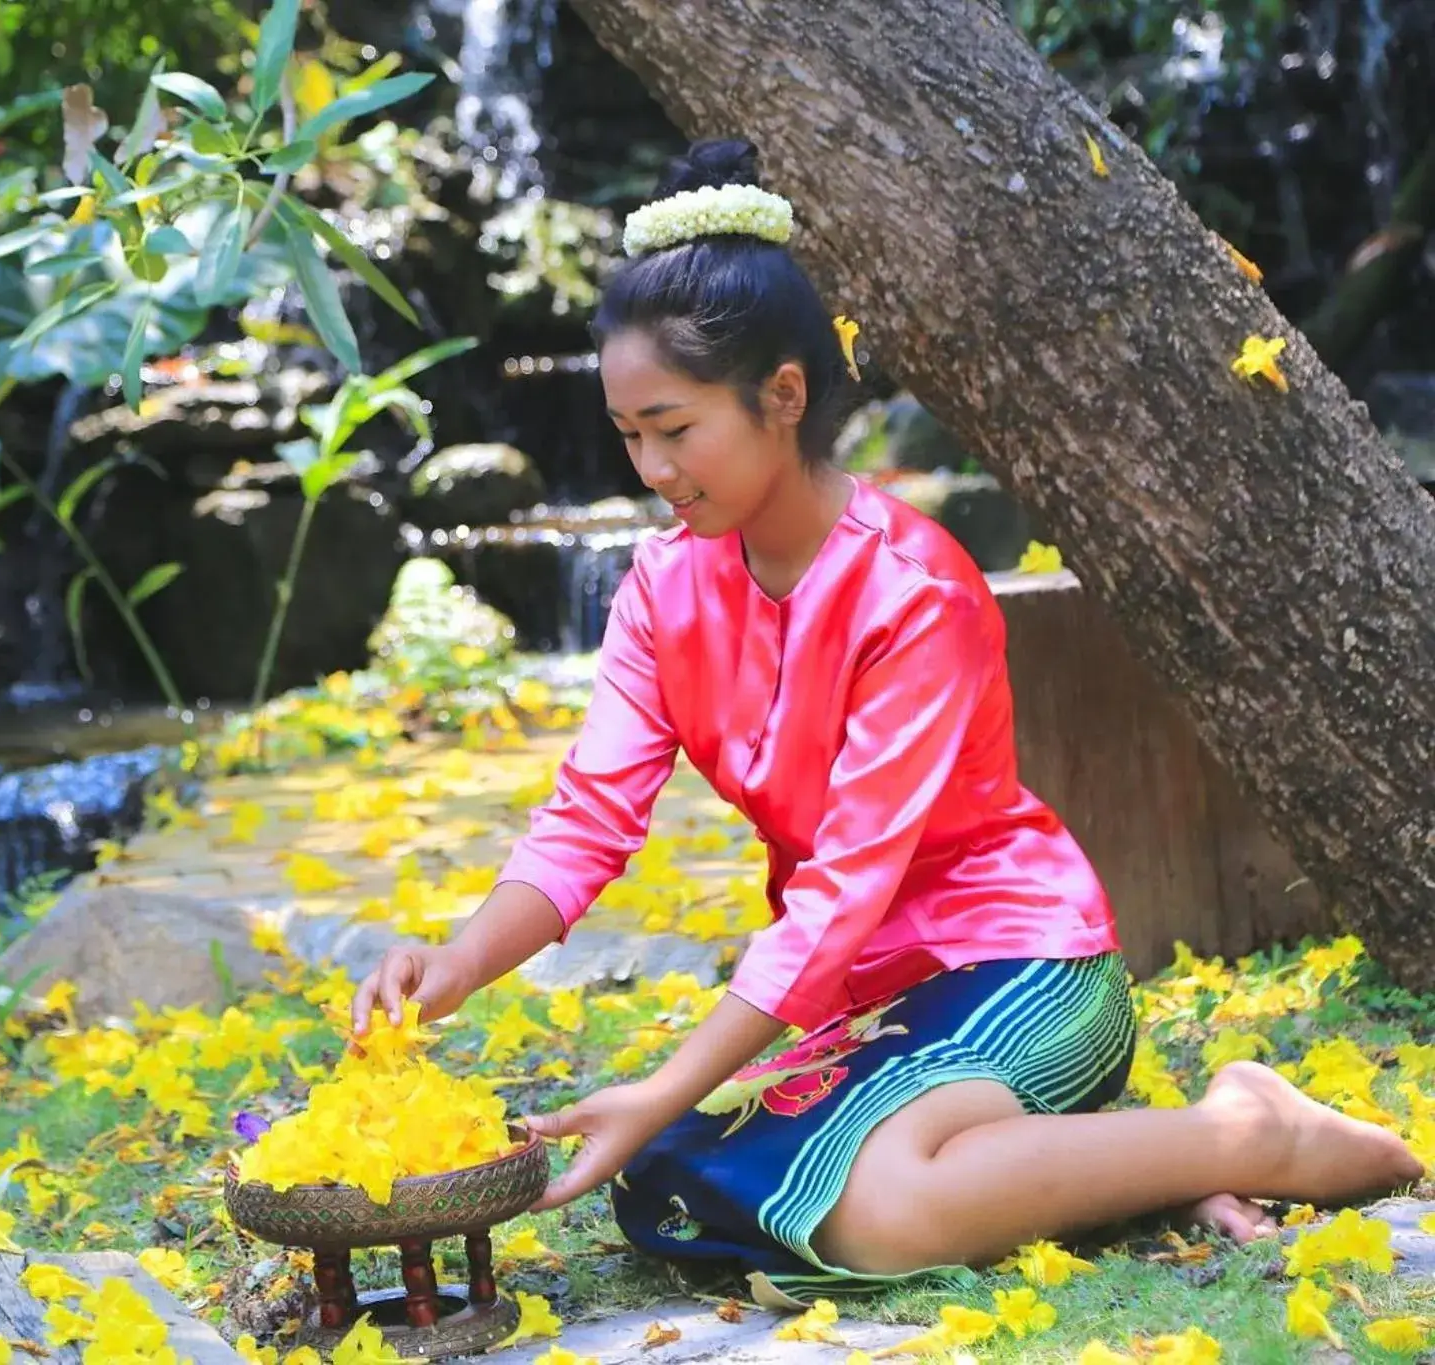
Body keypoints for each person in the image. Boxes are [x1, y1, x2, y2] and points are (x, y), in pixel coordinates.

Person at [350, 137, 1422, 1298]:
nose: (650, 468)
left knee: (874, 1212)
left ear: (782, 397)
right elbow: (585, 823)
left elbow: (840, 893)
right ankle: (1124, 1174)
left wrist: (666, 1078)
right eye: (626, 435)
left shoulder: (911, 590)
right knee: (662, 1184)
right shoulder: (663, 587)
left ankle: (1248, 1132)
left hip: (1015, 966)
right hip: (864, 1001)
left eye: (673, 427)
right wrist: (455, 963)